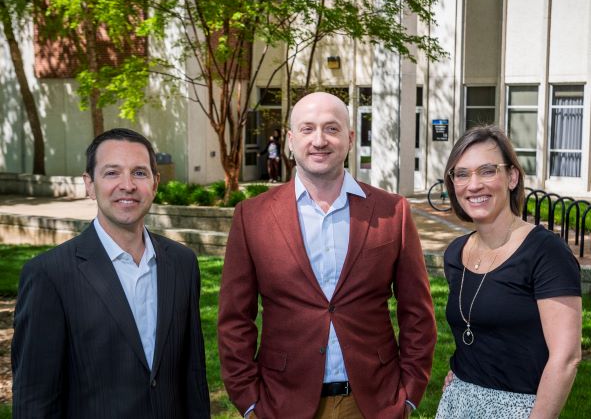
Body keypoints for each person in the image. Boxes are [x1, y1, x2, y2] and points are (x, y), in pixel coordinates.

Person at [218, 92, 436, 419]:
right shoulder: (252, 217)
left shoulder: (393, 212)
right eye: (307, 129)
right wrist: (249, 401)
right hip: (282, 402)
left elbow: (417, 312)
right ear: (291, 141)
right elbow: (235, 318)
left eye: (331, 129)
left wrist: (409, 392)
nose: (319, 140)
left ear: (349, 139)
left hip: (373, 402)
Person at [11, 128, 210, 418]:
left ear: (155, 183)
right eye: (112, 173)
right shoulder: (48, 275)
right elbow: (35, 398)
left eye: (139, 173)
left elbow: (192, 375)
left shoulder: (182, 263)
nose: (127, 185)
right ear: (89, 185)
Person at [436, 126, 581, 418]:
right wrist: (461, 374)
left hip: (520, 409)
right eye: (462, 174)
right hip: (458, 405)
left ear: (512, 177)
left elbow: (566, 358)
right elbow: (476, 328)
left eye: (487, 171)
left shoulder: (546, 252)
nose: (473, 184)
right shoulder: (455, 253)